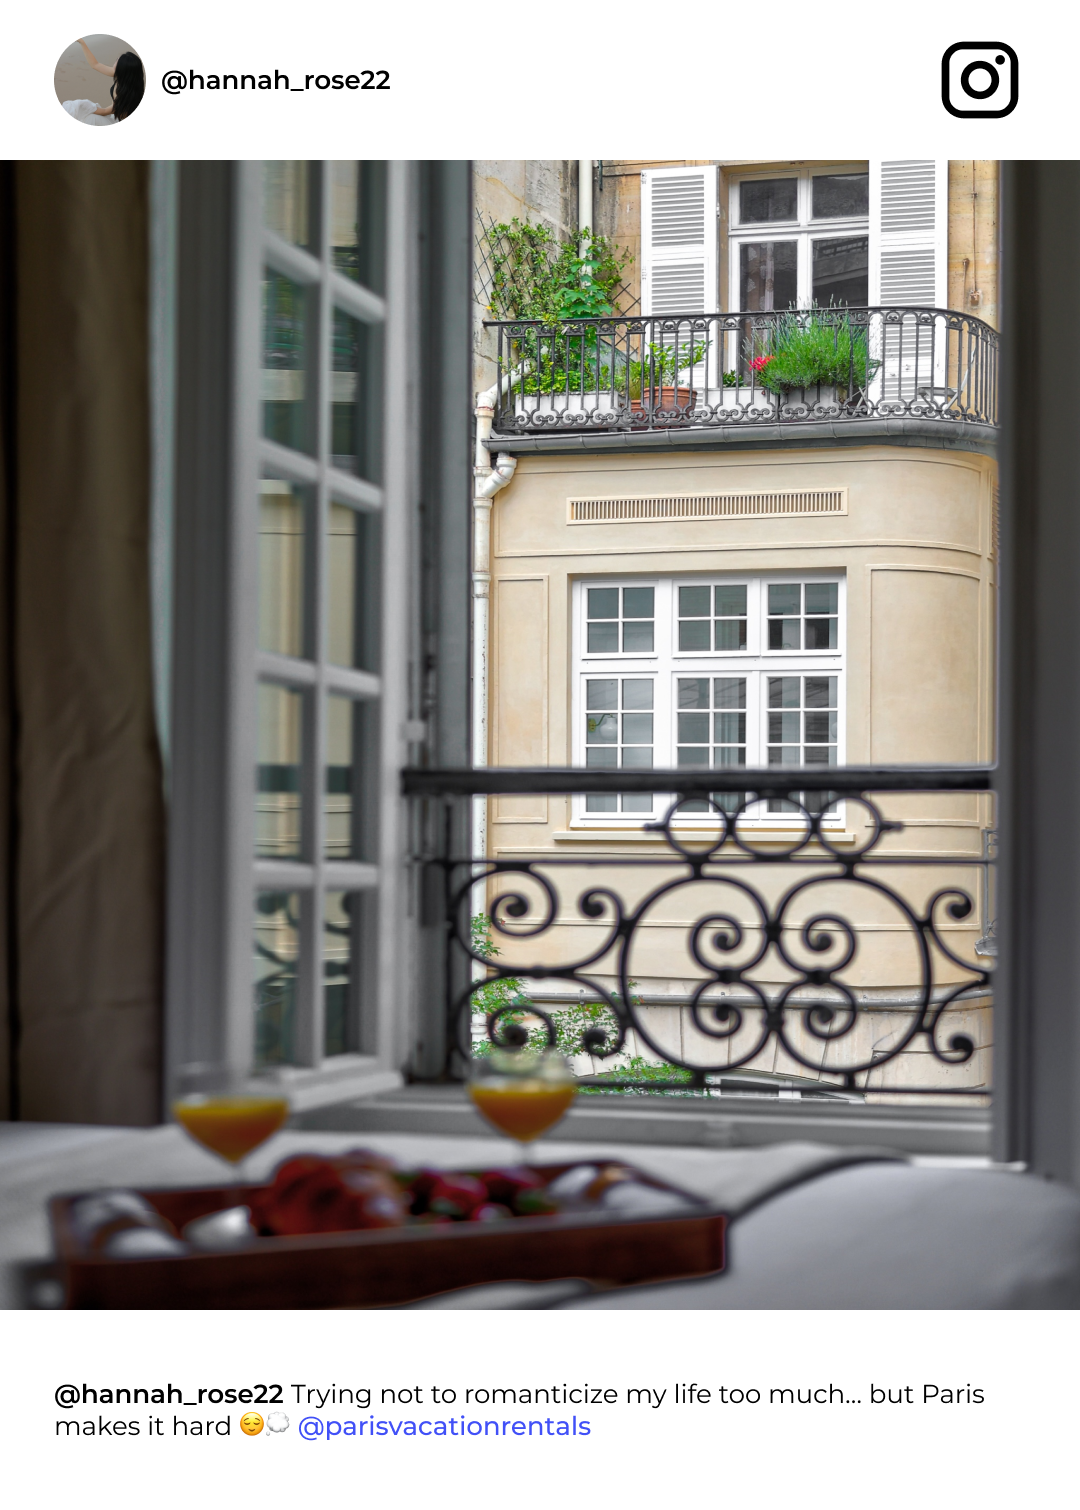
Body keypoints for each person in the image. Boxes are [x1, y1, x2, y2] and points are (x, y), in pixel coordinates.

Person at [61, 39, 144, 125]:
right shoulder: (121, 76)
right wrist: (82, 42)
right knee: (83, 113)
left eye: (117, 62)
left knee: (87, 117)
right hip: (113, 115)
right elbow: (95, 64)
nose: (114, 63)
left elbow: (104, 111)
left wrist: (85, 107)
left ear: (122, 70)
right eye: (117, 60)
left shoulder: (128, 97)